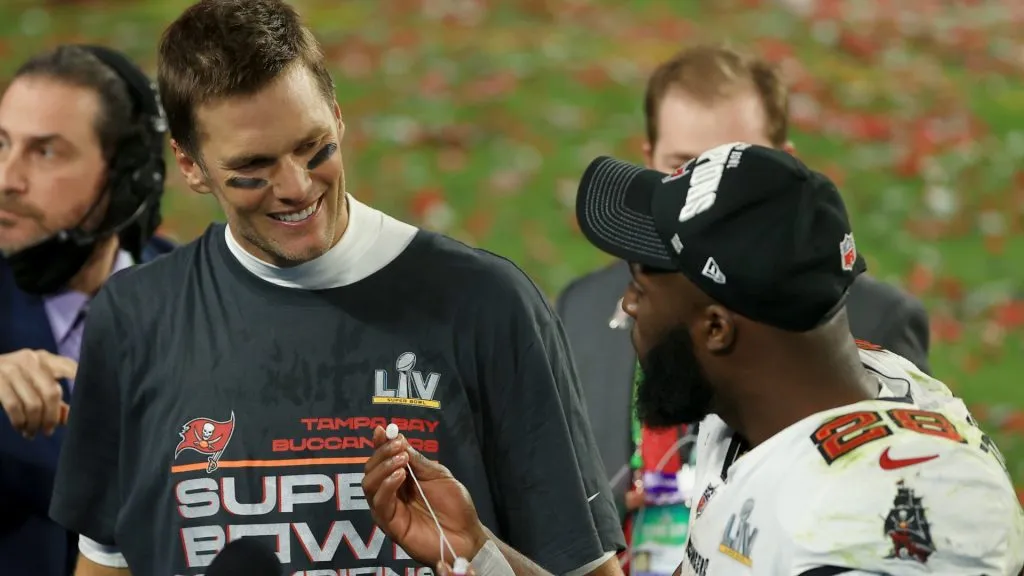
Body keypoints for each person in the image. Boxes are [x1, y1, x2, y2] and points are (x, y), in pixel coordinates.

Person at [47, 1, 623, 575]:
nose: (296, 187)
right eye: (254, 167)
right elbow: (106, 563)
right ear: (190, 164)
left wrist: (482, 557)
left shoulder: (488, 305)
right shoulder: (134, 320)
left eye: (314, 147)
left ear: (339, 115)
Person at [362, 143, 1024, 576]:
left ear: (715, 328)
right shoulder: (776, 415)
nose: (624, 309)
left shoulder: (873, 530)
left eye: (642, 289)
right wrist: (479, 552)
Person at [555, 47, 932, 563]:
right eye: (684, 166)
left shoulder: (867, 342)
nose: (708, 190)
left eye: (737, 164)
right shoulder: (580, 307)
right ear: (650, 158)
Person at [0, 45, 173, 576]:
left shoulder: (202, 295)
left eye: (46, 152)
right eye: (1, 144)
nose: (7, 179)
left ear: (128, 177)